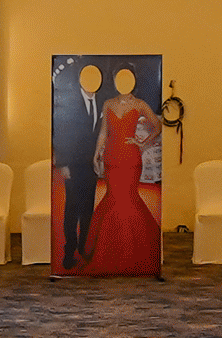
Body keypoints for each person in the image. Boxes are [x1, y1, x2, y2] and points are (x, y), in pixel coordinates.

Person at [81, 67, 162, 276]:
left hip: (130, 157)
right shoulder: (109, 103)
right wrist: (96, 153)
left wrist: (142, 144)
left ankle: (131, 253)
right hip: (112, 157)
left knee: (127, 198)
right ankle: (111, 250)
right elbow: (104, 132)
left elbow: (157, 125)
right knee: (113, 197)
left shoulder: (140, 104)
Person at [53, 61, 106, 271]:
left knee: (87, 208)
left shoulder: (101, 100)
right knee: (72, 209)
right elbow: (60, 132)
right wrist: (63, 164)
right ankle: (69, 251)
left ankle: (84, 246)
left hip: (90, 164)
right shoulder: (69, 100)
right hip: (73, 164)